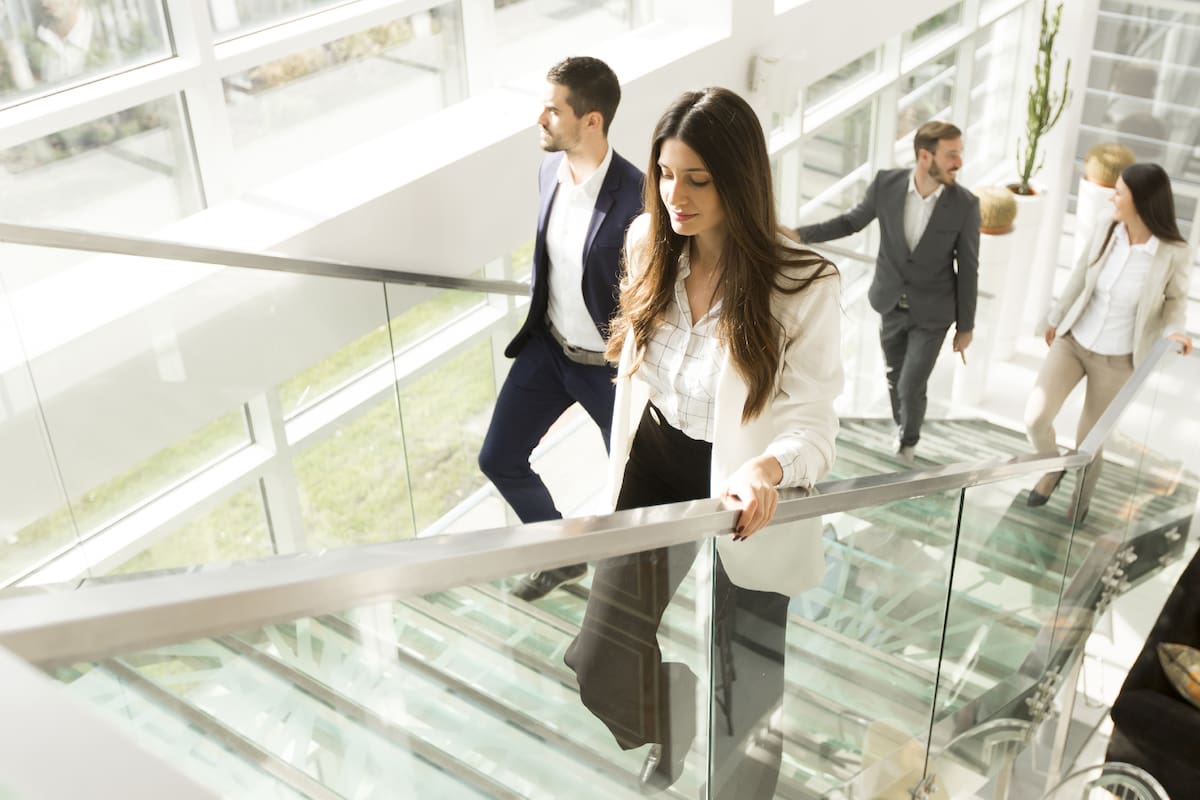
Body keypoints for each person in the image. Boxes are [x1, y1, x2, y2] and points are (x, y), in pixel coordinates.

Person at [562, 87, 842, 796]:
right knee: (599, 661)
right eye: (664, 173)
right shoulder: (645, 244)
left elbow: (814, 418)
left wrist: (768, 469)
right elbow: (632, 381)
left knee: (747, 687)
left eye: (698, 179)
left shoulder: (801, 283)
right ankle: (675, 710)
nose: (674, 195)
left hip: (743, 491)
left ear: (738, 180)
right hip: (656, 467)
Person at [477, 56, 643, 601]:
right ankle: (563, 556)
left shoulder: (640, 201)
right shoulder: (549, 170)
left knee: (631, 487)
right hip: (549, 352)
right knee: (498, 459)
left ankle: (628, 592)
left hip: (609, 372)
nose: (540, 118)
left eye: (553, 109)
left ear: (591, 120)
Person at [795, 121, 979, 464]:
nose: (959, 163)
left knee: (911, 384)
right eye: (951, 155)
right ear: (925, 156)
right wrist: (800, 235)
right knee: (894, 377)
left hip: (934, 314)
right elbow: (851, 222)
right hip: (890, 303)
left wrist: (965, 327)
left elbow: (968, 268)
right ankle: (902, 426)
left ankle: (908, 442)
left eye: (960, 154)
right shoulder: (886, 185)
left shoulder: (965, 205)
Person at [1024, 162, 1192, 517]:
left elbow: (1176, 300)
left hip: (1118, 361)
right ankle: (1052, 468)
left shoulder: (1173, 251)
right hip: (1074, 341)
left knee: (1090, 445)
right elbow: (1080, 276)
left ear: (1142, 201)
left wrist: (1175, 330)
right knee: (1035, 419)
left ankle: (1077, 510)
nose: (1112, 197)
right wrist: (1055, 317)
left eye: (1119, 192)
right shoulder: (1107, 227)